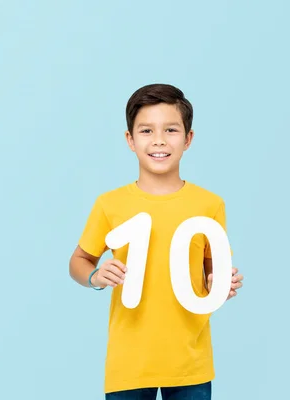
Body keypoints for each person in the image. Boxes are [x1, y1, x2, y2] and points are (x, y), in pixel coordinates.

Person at [69, 83, 244, 399]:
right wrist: (95, 276)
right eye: (147, 130)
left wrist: (219, 284)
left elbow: (213, 271)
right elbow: (79, 261)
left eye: (171, 130)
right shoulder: (110, 204)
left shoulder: (210, 205)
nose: (159, 140)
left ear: (188, 139)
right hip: (129, 364)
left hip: (190, 362)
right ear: (130, 140)